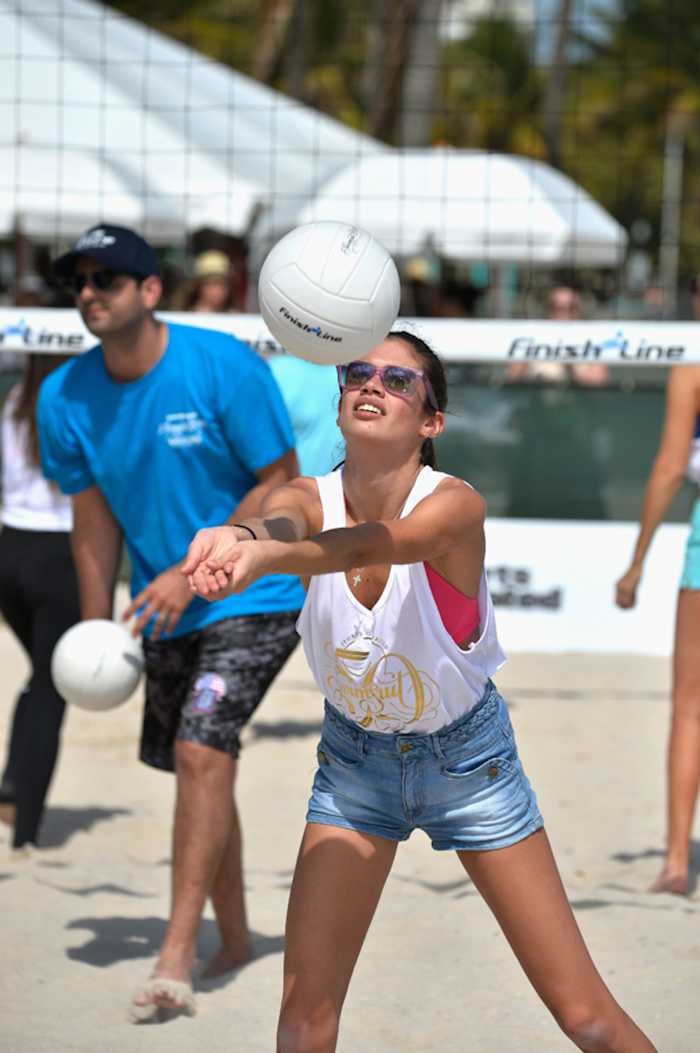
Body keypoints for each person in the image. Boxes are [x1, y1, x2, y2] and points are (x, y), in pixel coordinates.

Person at [184, 332, 656, 1052]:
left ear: (432, 420)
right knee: (304, 1020)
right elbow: (277, 519)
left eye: (399, 380)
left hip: (470, 767)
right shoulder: (305, 496)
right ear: (339, 400)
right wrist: (239, 536)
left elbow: (373, 543)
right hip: (353, 767)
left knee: (586, 1018)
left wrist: (268, 557)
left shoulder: (456, 506)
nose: (372, 385)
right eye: (359, 373)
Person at [36, 224, 303, 1021]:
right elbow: (92, 523)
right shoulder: (65, 395)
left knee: (199, 747)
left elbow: (283, 483)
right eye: (79, 281)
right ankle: (238, 937)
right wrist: (96, 634)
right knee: (201, 763)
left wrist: (193, 571)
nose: (89, 293)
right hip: (165, 604)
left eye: (107, 279)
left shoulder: (220, 364)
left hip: (256, 587)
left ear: (151, 290)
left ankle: (174, 957)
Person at [616, 364, 700, 896]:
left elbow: (669, 468)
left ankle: (675, 863)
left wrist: (637, 562)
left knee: (690, 707)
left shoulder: (691, 376)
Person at [0, 353, 80, 856]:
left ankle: (11, 785)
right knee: (52, 688)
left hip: (10, 548)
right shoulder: (76, 403)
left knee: (39, 679)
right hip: (59, 553)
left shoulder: (14, 401)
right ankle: (26, 827)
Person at [507, 285, 610, 387]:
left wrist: (571, 364)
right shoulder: (532, 339)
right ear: (549, 310)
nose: (564, 313)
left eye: (571, 307)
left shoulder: (590, 340)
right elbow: (513, 377)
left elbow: (600, 380)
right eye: (557, 307)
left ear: (578, 311)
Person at [170, 249, 237, 313]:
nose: (218, 290)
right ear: (199, 285)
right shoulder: (183, 316)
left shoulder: (236, 317)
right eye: (212, 284)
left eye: (222, 284)